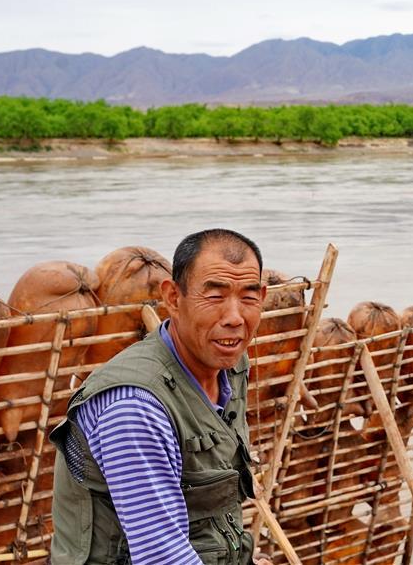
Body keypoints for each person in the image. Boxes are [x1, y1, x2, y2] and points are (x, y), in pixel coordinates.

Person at [50, 229, 268, 564]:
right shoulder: (135, 407)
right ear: (173, 298)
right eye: (214, 296)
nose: (235, 317)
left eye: (249, 297)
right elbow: (161, 555)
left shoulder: (230, 365)